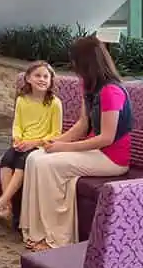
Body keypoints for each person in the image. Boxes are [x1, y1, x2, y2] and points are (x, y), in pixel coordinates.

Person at [19, 36, 136, 253]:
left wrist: (63, 148)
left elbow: (106, 138)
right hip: (94, 150)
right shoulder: (88, 85)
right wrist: (55, 141)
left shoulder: (111, 91)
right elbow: (83, 125)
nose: (72, 67)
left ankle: (56, 240)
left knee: (47, 165)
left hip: (111, 158)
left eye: (75, 61)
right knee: (35, 157)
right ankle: (36, 231)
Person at [0, 59, 65, 224]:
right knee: (7, 160)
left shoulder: (55, 104)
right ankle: (8, 209)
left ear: (50, 81)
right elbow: (17, 124)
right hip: (23, 143)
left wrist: (34, 142)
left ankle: (1, 202)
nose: (42, 79)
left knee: (21, 163)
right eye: (37, 76)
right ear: (28, 78)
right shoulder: (22, 100)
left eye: (45, 77)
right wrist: (17, 139)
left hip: (41, 146)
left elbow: (56, 133)